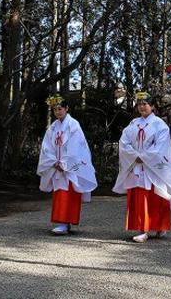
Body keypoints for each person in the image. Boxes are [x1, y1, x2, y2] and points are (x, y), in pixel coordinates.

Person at [113, 91, 171, 243]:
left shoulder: (159, 124)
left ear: (153, 106)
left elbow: (161, 146)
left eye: (145, 104)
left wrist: (143, 157)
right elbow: (124, 143)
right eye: (140, 104)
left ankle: (160, 226)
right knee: (140, 197)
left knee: (157, 196)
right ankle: (143, 229)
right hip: (137, 166)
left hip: (153, 167)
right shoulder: (133, 124)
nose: (142, 107)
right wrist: (133, 155)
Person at [37, 94, 98, 235]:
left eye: (60, 109)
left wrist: (64, 163)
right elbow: (47, 146)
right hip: (56, 165)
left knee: (69, 193)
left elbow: (76, 146)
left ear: (67, 109)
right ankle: (61, 222)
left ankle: (66, 222)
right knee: (59, 193)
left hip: (69, 166)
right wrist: (53, 161)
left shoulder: (73, 125)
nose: (58, 112)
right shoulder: (53, 127)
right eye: (55, 109)